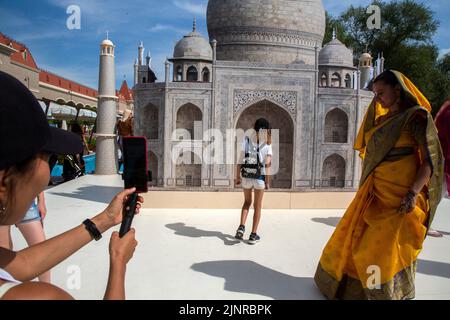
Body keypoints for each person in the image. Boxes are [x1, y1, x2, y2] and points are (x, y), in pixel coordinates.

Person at [0, 71, 143, 300]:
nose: (48, 170)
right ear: (5, 181)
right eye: (49, 158)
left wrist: (104, 219)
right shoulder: (38, 297)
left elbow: (22, 263)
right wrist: (118, 262)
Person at [314, 70, 444, 300]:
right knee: (361, 244)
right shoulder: (383, 120)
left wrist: (413, 193)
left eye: (381, 93)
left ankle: (381, 292)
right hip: (376, 194)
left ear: (398, 89)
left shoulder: (415, 118)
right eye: (375, 94)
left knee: (383, 250)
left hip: (402, 198)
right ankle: (367, 290)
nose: (378, 99)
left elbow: (429, 162)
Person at [234, 118, 272, 245]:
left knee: (246, 202)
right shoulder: (267, 144)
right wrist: (267, 182)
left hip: (246, 176)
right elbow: (267, 165)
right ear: (267, 129)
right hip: (259, 178)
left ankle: (241, 227)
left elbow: (239, 161)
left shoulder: (246, 141)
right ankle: (253, 235)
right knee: (257, 206)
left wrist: (237, 177)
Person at [0, 192, 50, 282]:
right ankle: (9, 289)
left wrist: (41, 201)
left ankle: (47, 288)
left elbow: (35, 178)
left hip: (24, 202)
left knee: (41, 251)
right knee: (4, 255)